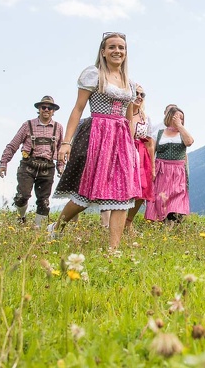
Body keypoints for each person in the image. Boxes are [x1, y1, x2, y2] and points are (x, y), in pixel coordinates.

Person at [50, 32, 140, 250]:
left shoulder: (129, 82)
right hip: (97, 134)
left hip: (121, 139)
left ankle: (113, 250)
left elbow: (129, 117)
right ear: (103, 51)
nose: (117, 51)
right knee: (86, 193)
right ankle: (56, 227)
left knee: (122, 194)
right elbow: (78, 109)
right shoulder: (94, 75)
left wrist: (131, 143)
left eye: (121, 47)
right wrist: (66, 142)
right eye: (112, 47)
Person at [0, 96, 64, 228]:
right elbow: (13, 145)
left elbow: (61, 148)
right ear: (39, 109)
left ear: (53, 111)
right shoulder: (27, 125)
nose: (46, 109)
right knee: (22, 196)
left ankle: (38, 230)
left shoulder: (58, 127)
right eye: (43, 107)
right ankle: (21, 218)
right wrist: (3, 163)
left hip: (47, 167)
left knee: (44, 201)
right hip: (28, 165)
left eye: (49, 108)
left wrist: (61, 167)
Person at [145, 106, 194, 225]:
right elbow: (151, 151)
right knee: (160, 198)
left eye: (182, 118)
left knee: (177, 196)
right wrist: (152, 169)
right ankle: (161, 223)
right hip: (161, 169)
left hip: (178, 170)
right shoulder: (159, 133)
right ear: (169, 117)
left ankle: (171, 225)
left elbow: (189, 142)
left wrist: (180, 126)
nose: (179, 120)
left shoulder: (183, 133)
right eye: (177, 117)